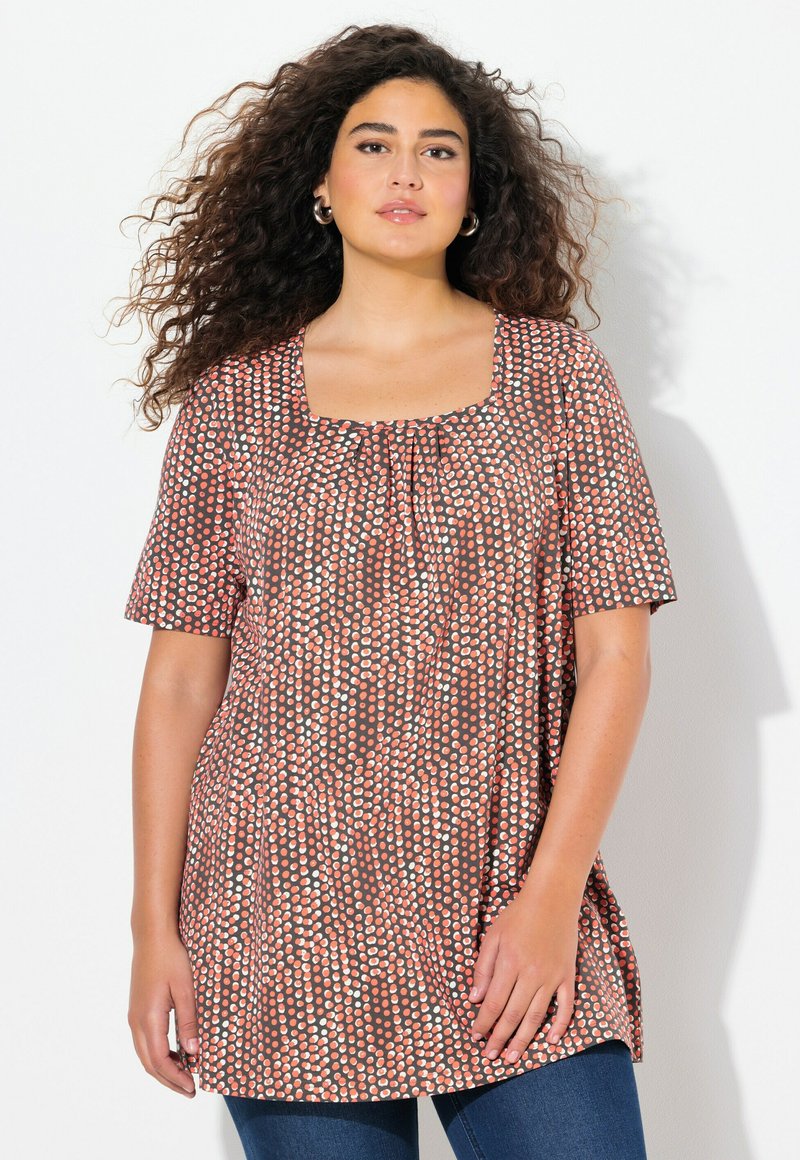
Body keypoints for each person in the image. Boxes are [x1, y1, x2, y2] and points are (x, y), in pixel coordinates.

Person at [117, 22, 678, 1160]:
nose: (406, 172)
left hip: (504, 907)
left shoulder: (557, 378)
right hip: (282, 919)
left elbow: (614, 659)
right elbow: (179, 682)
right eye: (372, 145)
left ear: (474, 194)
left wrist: (551, 897)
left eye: (438, 150)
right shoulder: (235, 403)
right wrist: (152, 924)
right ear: (320, 186)